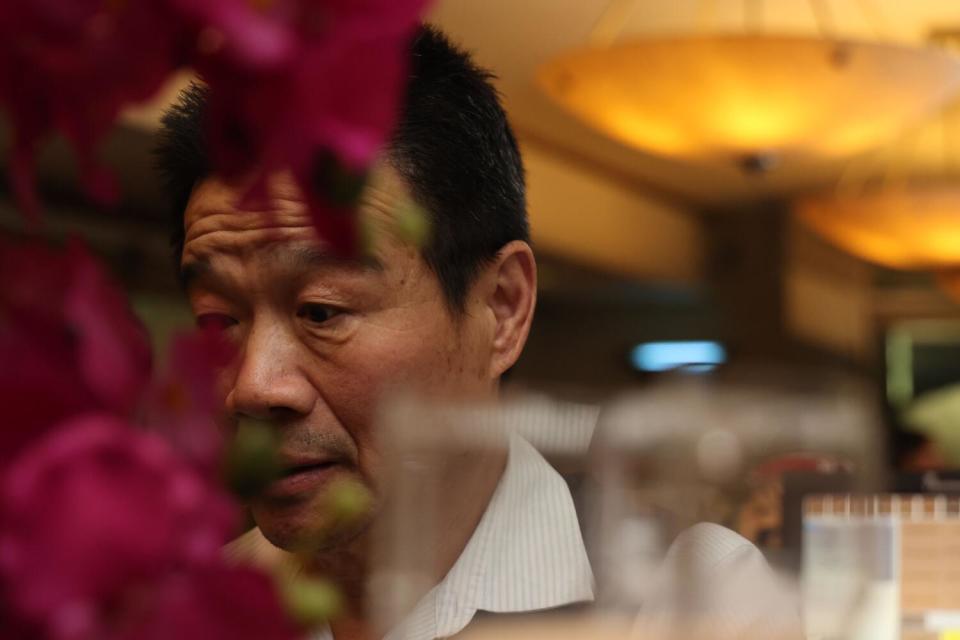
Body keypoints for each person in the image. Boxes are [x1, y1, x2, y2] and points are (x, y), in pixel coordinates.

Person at [157, 24, 798, 640]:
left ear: (501, 309)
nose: (252, 386)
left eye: (322, 311)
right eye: (220, 321)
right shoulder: (198, 606)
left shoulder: (688, 602)